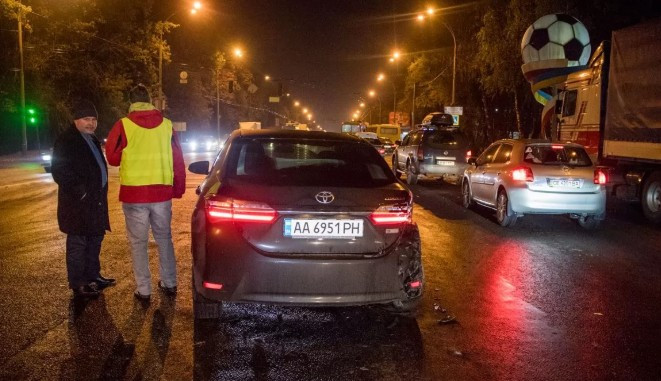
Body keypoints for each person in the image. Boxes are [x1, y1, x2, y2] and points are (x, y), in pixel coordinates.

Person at [105, 84, 185, 301]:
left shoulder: (123, 125)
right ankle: (170, 283)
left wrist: (129, 152)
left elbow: (112, 157)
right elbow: (178, 160)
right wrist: (177, 189)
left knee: (138, 243)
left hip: (135, 195)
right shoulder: (167, 126)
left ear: (131, 102)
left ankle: (144, 289)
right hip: (161, 194)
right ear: (150, 100)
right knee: (164, 238)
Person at [52, 100, 115, 298]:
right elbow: (60, 170)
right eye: (86, 119)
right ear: (76, 119)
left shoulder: (91, 138)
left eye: (94, 119)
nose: (91, 123)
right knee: (78, 243)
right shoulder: (67, 140)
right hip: (77, 204)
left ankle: (93, 276)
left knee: (95, 239)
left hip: (94, 202)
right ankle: (78, 283)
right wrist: (81, 191)